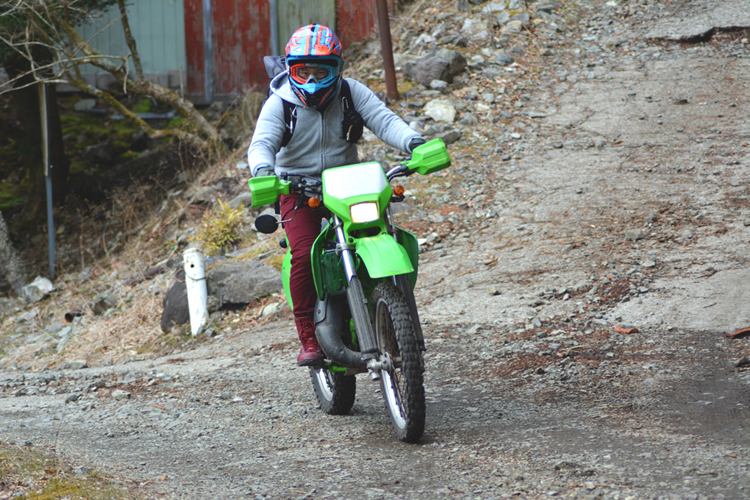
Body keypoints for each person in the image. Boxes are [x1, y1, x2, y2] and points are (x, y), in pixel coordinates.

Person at [247, 24, 425, 367]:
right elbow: (261, 144)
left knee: (383, 234)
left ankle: (388, 307)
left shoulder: (351, 92)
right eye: (303, 71)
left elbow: (385, 121)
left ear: (337, 68)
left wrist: (413, 142)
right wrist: (264, 173)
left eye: (321, 71)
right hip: (297, 189)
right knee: (302, 254)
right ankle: (309, 335)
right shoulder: (279, 104)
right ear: (290, 69)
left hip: (348, 185)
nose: (312, 80)